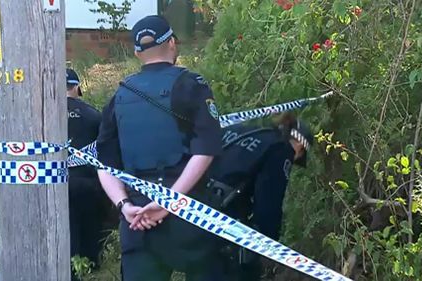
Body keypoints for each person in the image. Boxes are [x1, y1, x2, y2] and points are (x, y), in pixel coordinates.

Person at [95, 15, 223, 281]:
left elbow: (104, 165)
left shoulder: (119, 95)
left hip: (137, 220)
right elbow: (206, 150)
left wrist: (125, 206)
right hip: (189, 215)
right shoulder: (193, 86)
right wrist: (169, 203)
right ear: (173, 43)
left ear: (136, 52)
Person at [207, 113, 313, 281]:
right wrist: (267, 242)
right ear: (300, 146)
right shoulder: (281, 150)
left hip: (191, 215)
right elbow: (268, 205)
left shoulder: (240, 131)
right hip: (225, 234)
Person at [66, 68, 106, 280]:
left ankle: (68, 269)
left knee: (65, 227)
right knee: (90, 224)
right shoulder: (93, 114)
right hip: (87, 181)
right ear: (76, 87)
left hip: (53, 181)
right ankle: (91, 264)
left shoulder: (43, 114)